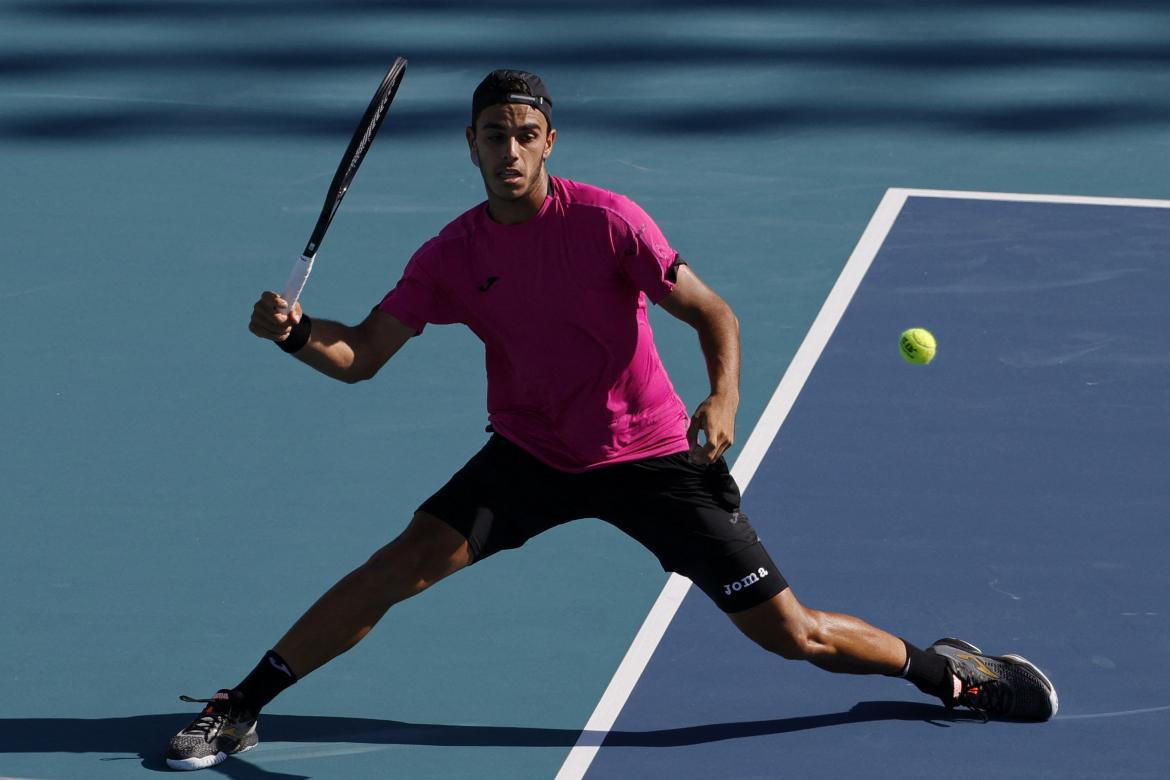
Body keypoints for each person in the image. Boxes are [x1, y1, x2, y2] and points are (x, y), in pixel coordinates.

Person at [165, 69, 1058, 772]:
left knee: (797, 638)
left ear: (548, 141)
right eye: (492, 136)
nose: (509, 149)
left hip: (654, 458)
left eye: (524, 134)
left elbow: (717, 314)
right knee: (392, 570)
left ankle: (952, 672)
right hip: (529, 455)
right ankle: (239, 702)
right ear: (469, 148)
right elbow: (360, 356)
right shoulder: (450, 255)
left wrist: (724, 398)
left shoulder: (608, 224)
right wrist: (293, 337)